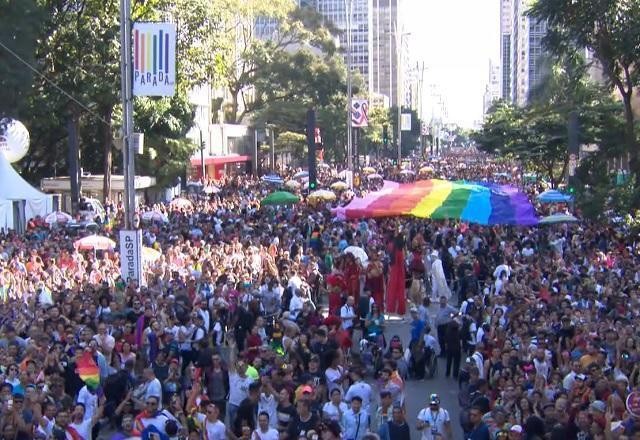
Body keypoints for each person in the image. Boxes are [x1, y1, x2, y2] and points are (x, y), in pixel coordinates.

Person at [386, 234, 406, 315]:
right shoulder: (401, 251)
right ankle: (401, 309)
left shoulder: (393, 248)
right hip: (401, 271)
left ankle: (391, 308)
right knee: (401, 291)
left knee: (392, 290)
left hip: (394, 271)